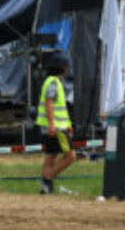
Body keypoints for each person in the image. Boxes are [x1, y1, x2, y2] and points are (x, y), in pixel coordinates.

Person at [36, 55, 76, 194]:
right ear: (61, 67)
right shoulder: (53, 82)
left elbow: (60, 107)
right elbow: (49, 103)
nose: (67, 69)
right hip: (56, 127)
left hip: (54, 126)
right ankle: (47, 179)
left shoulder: (52, 81)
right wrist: (52, 124)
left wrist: (68, 123)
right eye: (66, 66)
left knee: (51, 155)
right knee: (71, 156)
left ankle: (45, 188)